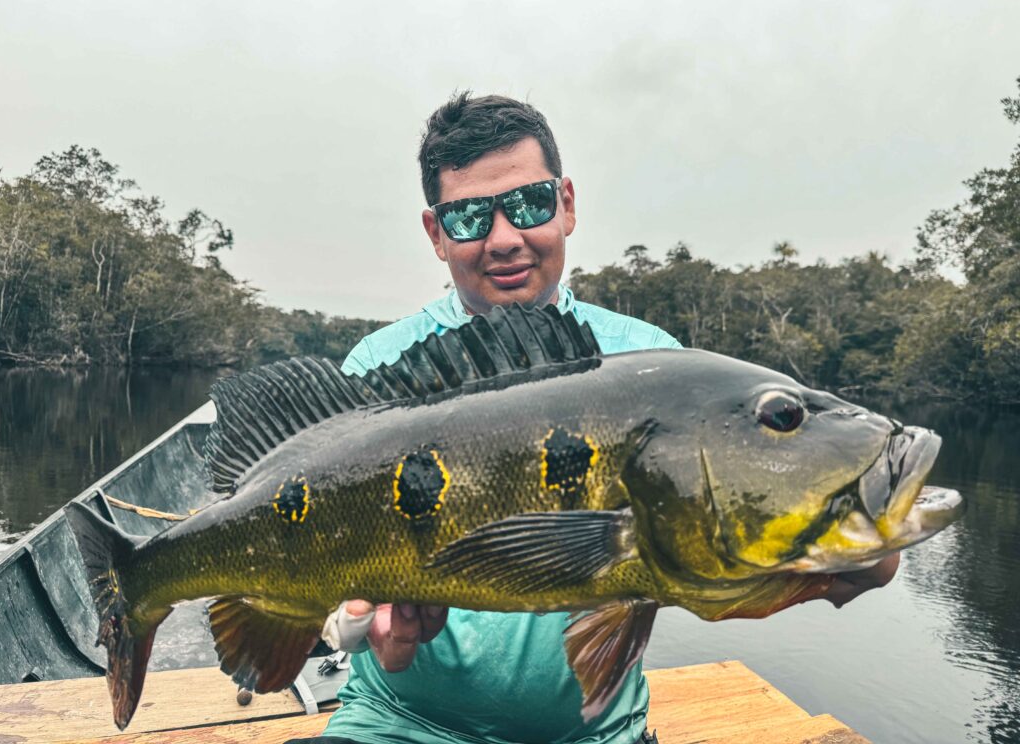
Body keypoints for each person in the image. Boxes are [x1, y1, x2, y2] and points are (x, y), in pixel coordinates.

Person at [308, 92, 899, 744]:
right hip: (402, 723)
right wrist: (358, 629)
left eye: (529, 205)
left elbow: (733, 567)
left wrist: (851, 546)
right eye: (471, 218)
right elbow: (321, 572)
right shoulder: (379, 369)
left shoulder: (659, 369)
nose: (504, 239)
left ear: (566, 205)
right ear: (436, 234)